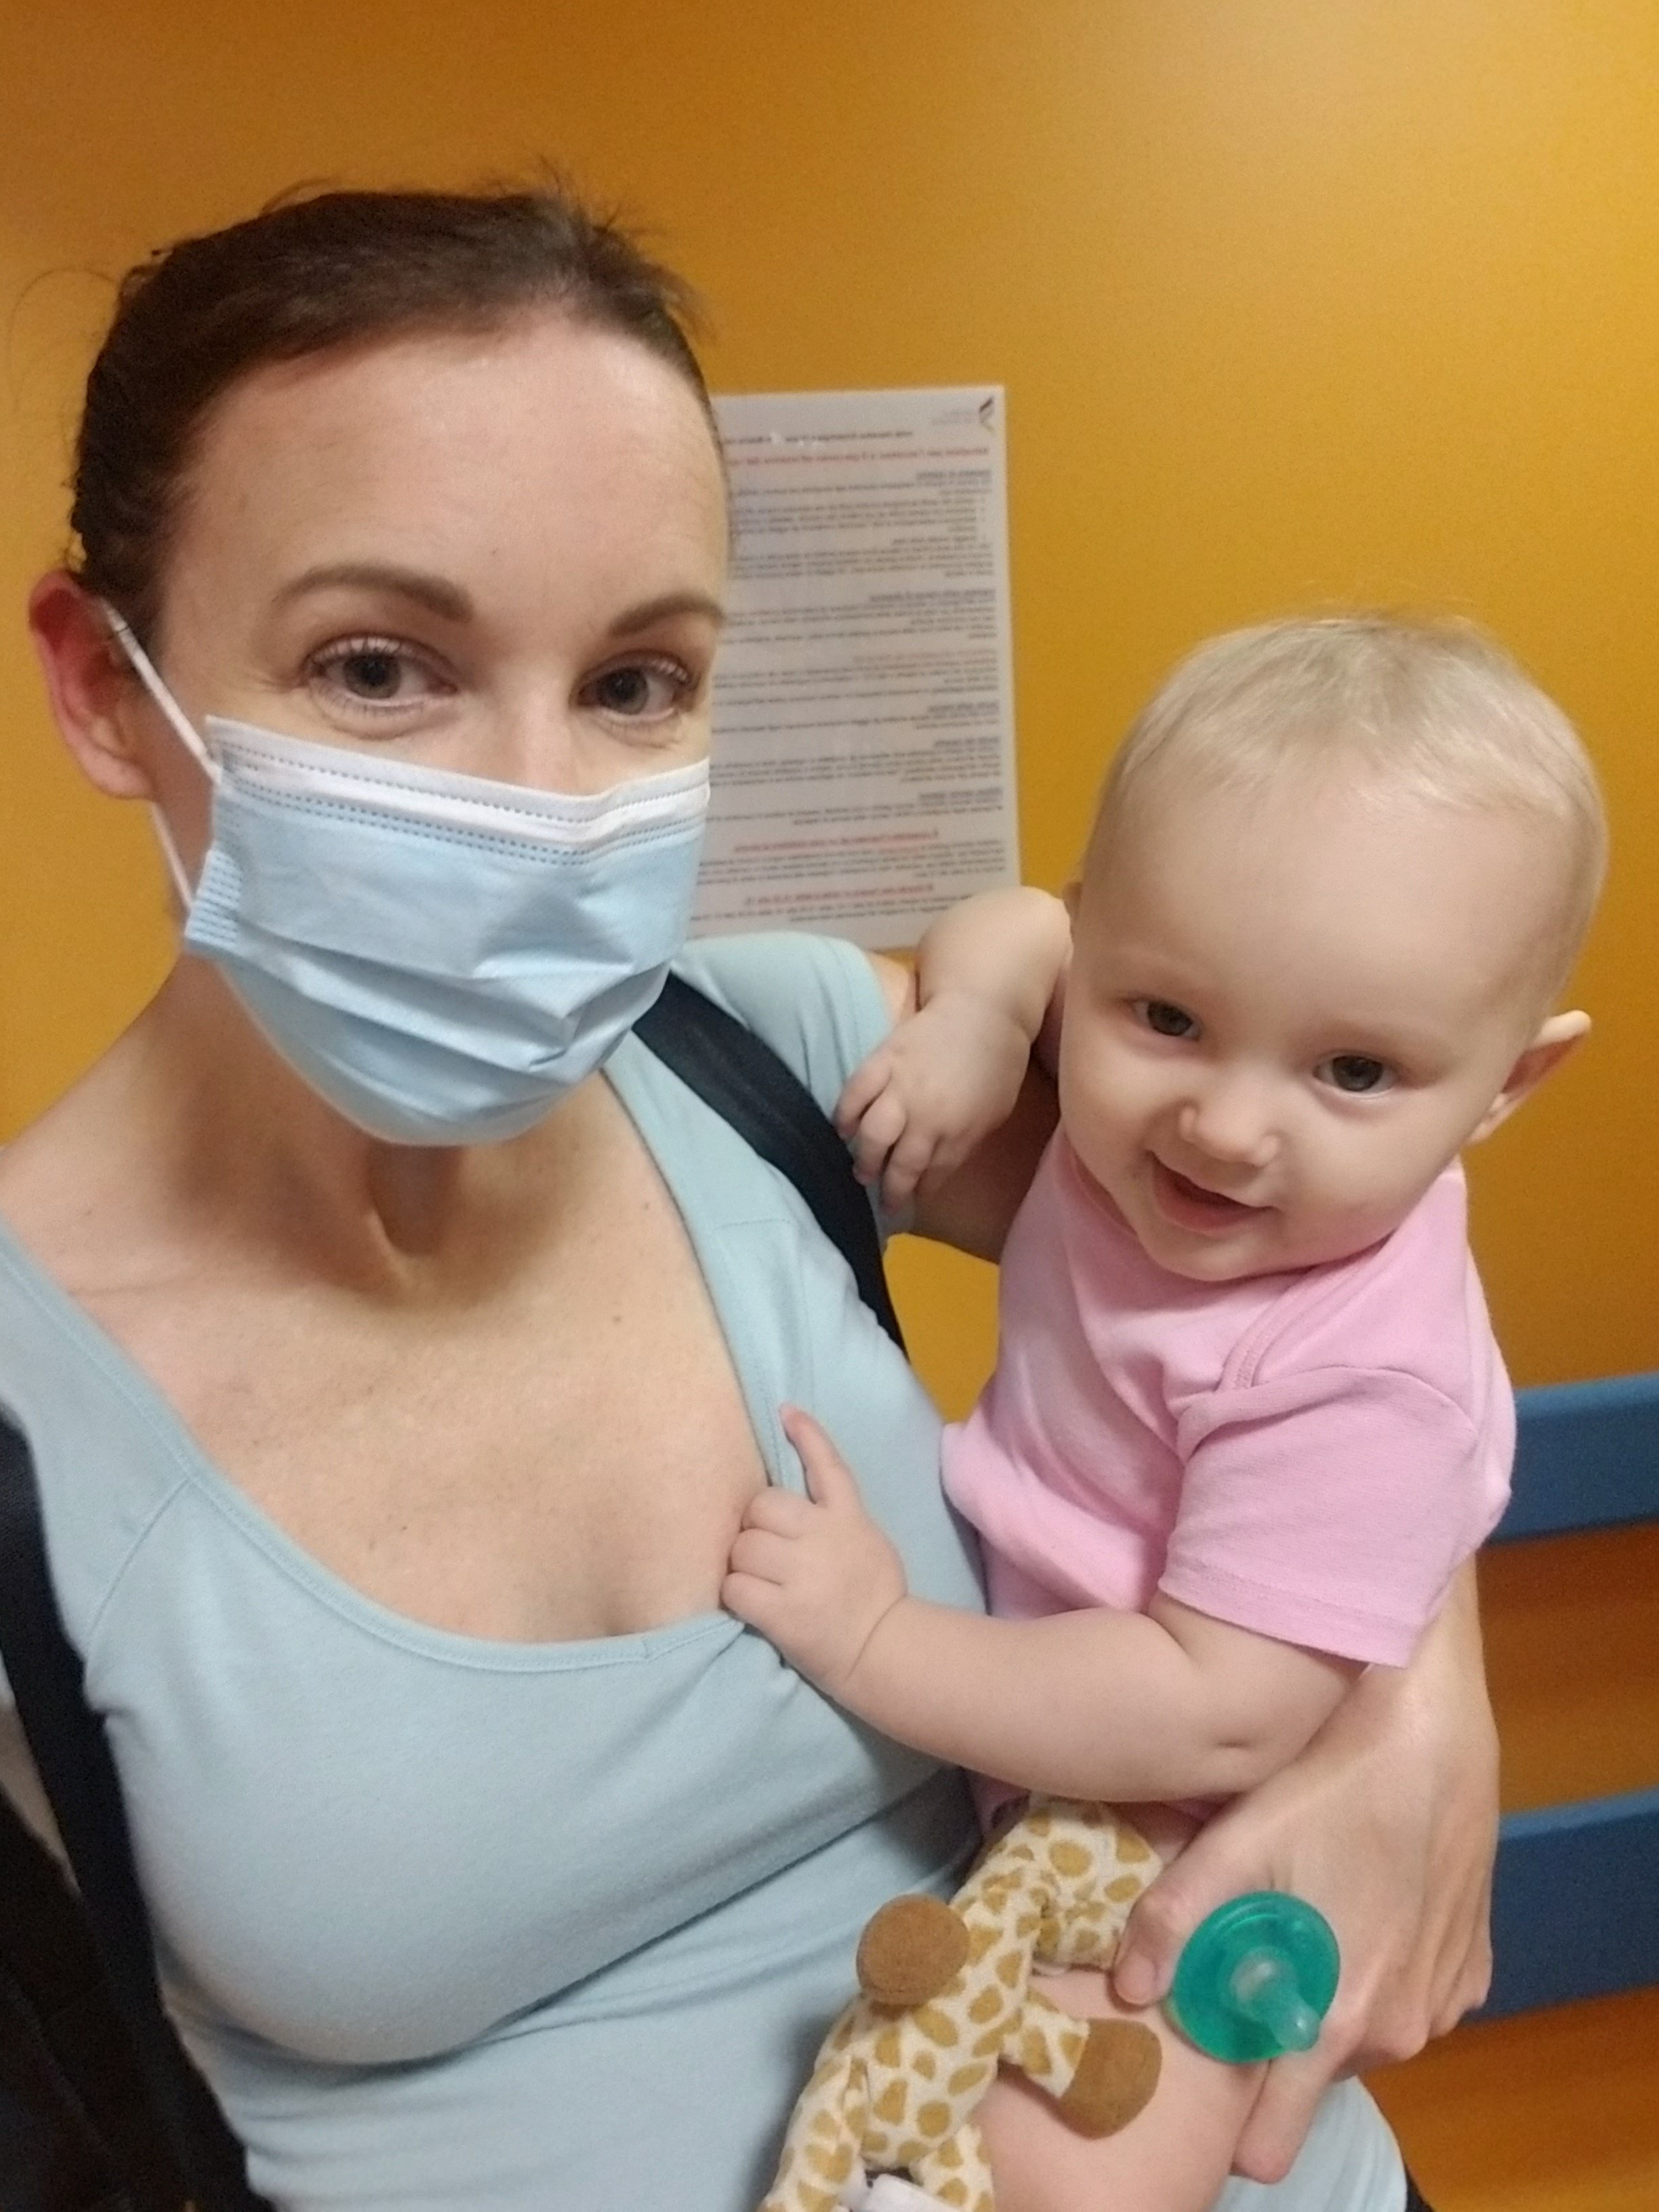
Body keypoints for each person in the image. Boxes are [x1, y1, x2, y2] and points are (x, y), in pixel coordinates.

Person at [0, 184, 1495, 2212]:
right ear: (106, 685)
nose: (541, 804)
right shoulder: (29, 1413)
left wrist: (1413, 1698)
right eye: (378, 666)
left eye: (637, 681)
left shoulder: (767, 1052)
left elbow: (1317, 1219)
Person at [728, 614, 1605, 2210]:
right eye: (1169, 1022)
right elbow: (1013, 926)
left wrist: (873, 1642)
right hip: (1065, 1742)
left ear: (1506, 1088)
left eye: (1354, 1072)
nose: (1225, 1124)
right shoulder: (1137, 1032)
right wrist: (980, 1020)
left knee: (1078, 2167)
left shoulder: (1361, 1374)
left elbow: (1216, 1709)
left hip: (1207, 1819)